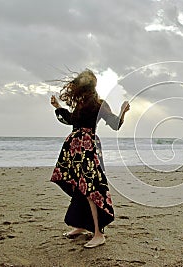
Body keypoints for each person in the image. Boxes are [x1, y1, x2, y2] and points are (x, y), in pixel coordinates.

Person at [50, 69, 130, 248]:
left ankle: (99, 233)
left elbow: (115, 124)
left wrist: (123, 111)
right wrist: (57, 106)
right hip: (75, 148)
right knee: (81, 186)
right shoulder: (81, 103)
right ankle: (81, 226)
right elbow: (71, 120)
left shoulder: (99, 104)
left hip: (88, 147)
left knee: (90, 187)